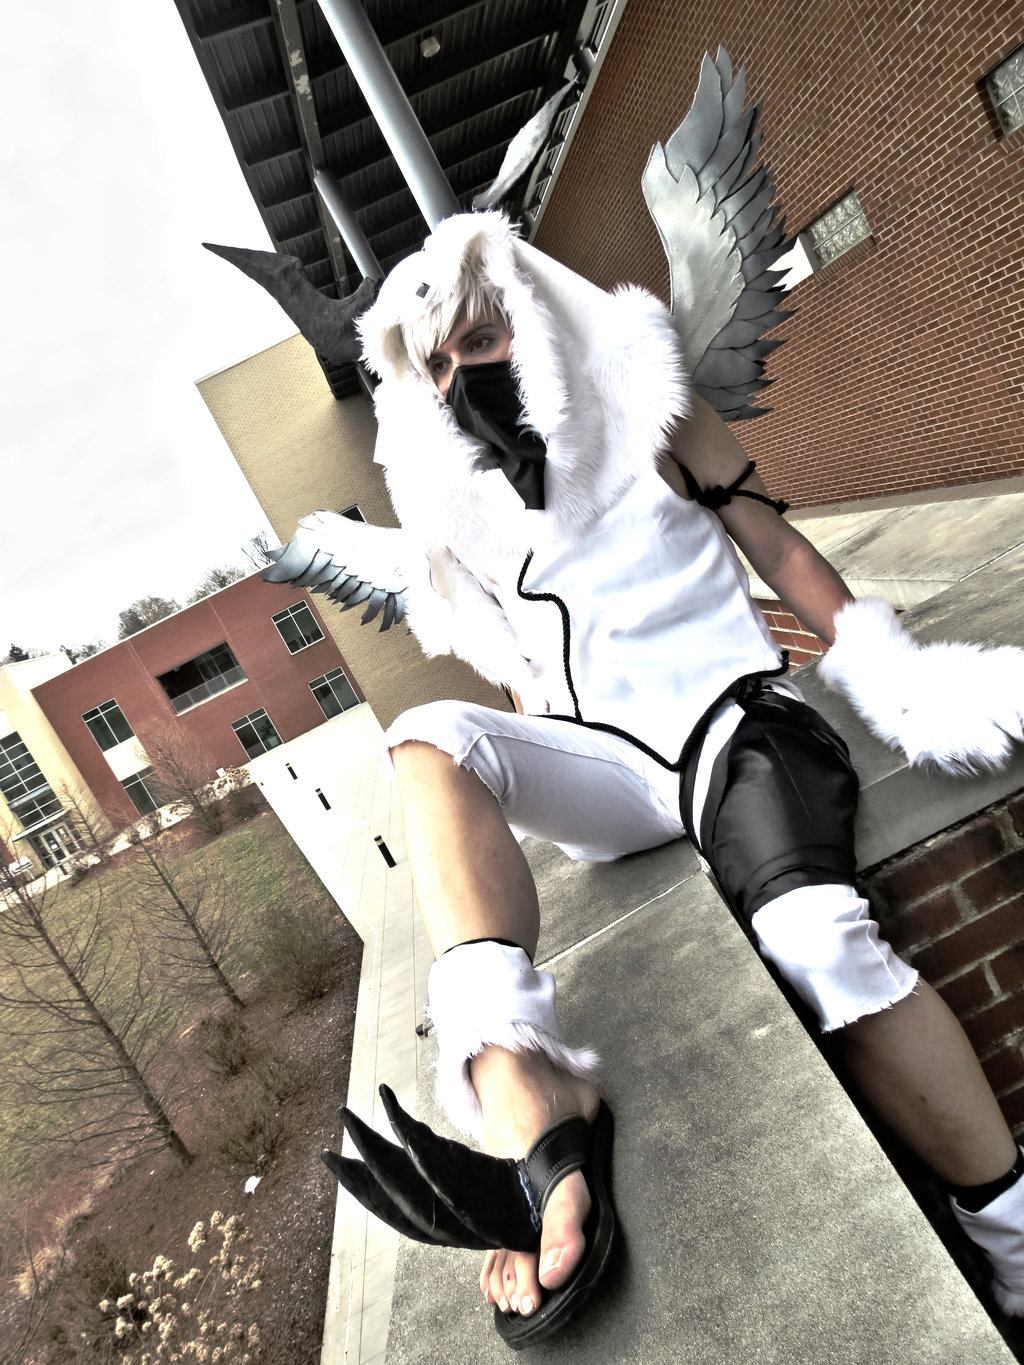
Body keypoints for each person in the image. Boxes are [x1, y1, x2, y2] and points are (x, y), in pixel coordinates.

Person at [234, 211, 1024, 1346]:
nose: (462, 378)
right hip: (611, 771)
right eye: (438, 364)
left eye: (481, 339)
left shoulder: (649, 404)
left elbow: (777, 545)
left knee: (815, 938)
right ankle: (528, 1096)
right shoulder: (462, 511)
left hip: (731, 730)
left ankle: (1013, 1238)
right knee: (426, 735)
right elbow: (522, 673)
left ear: (534, 316)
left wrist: (887, 670)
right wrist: (530, 768)